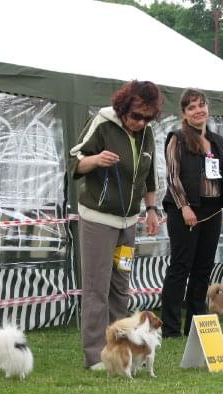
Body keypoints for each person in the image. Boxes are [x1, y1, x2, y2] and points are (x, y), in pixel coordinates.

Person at [69, 80, 162, 371]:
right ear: (123, 108)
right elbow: (75, 161)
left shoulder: (147, 134)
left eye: (147, 117)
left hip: (129, 221)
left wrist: (151, 210)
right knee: (97, 288)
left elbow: (149, 178)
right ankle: (95, 355)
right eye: (136, 115)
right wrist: (96, 160)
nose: (140, 122)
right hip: (98, 217)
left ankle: (120, 350)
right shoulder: (103, 122)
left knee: (120, 287)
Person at [160, 88, 223, 338]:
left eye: (201, 105)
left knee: (203, 270)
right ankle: (171, 328)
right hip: (184, 211)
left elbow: (218, 175)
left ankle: (196, 326)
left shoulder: (216, 140)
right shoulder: (177, 138)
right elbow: (173, 177)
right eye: (192, 107)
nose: (199, 111)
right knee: (180, 267)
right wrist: (184, 207)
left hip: (211, 211)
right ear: (184, 113)